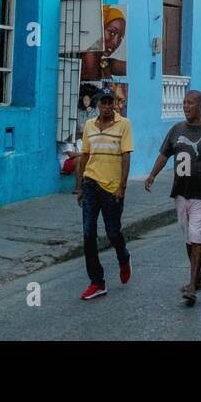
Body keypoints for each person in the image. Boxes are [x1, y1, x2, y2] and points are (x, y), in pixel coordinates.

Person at [144, 90, 201, 306]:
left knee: (196, 235)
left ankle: (191, 285)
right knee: (189, 237)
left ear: (200, 105)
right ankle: (198, 278)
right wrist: (152, 175)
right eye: (184, 103)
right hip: (181, 192)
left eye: (190, 103)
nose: (185, 106)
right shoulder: (176, 130)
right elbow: (164, 154)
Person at [76, 88, 133, 300]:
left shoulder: (124, 125)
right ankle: (97, 281)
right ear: (98, 104)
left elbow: (126, 157)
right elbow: (84, 156)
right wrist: (81, 186)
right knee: (88, 234)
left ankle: (123, 256)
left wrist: (122, 187)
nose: (108, 106)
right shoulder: (89, 126)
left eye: (111, 102)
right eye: (104, 102)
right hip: (91, 183)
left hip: (112, 188)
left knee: (113, 232)